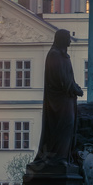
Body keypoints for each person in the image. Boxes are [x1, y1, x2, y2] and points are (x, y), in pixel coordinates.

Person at [35, 29, 83, 167]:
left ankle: (64, 156)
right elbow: (59, 78)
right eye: (68, 38)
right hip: (58, 101)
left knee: (69, 126)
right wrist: (74, 88)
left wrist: (75, 86)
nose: (70, 40)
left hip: (67, 99)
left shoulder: (63, 56)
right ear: (62, 39)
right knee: (62, 126)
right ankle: (59, 156)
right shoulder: (54, 55)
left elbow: (68, 77)